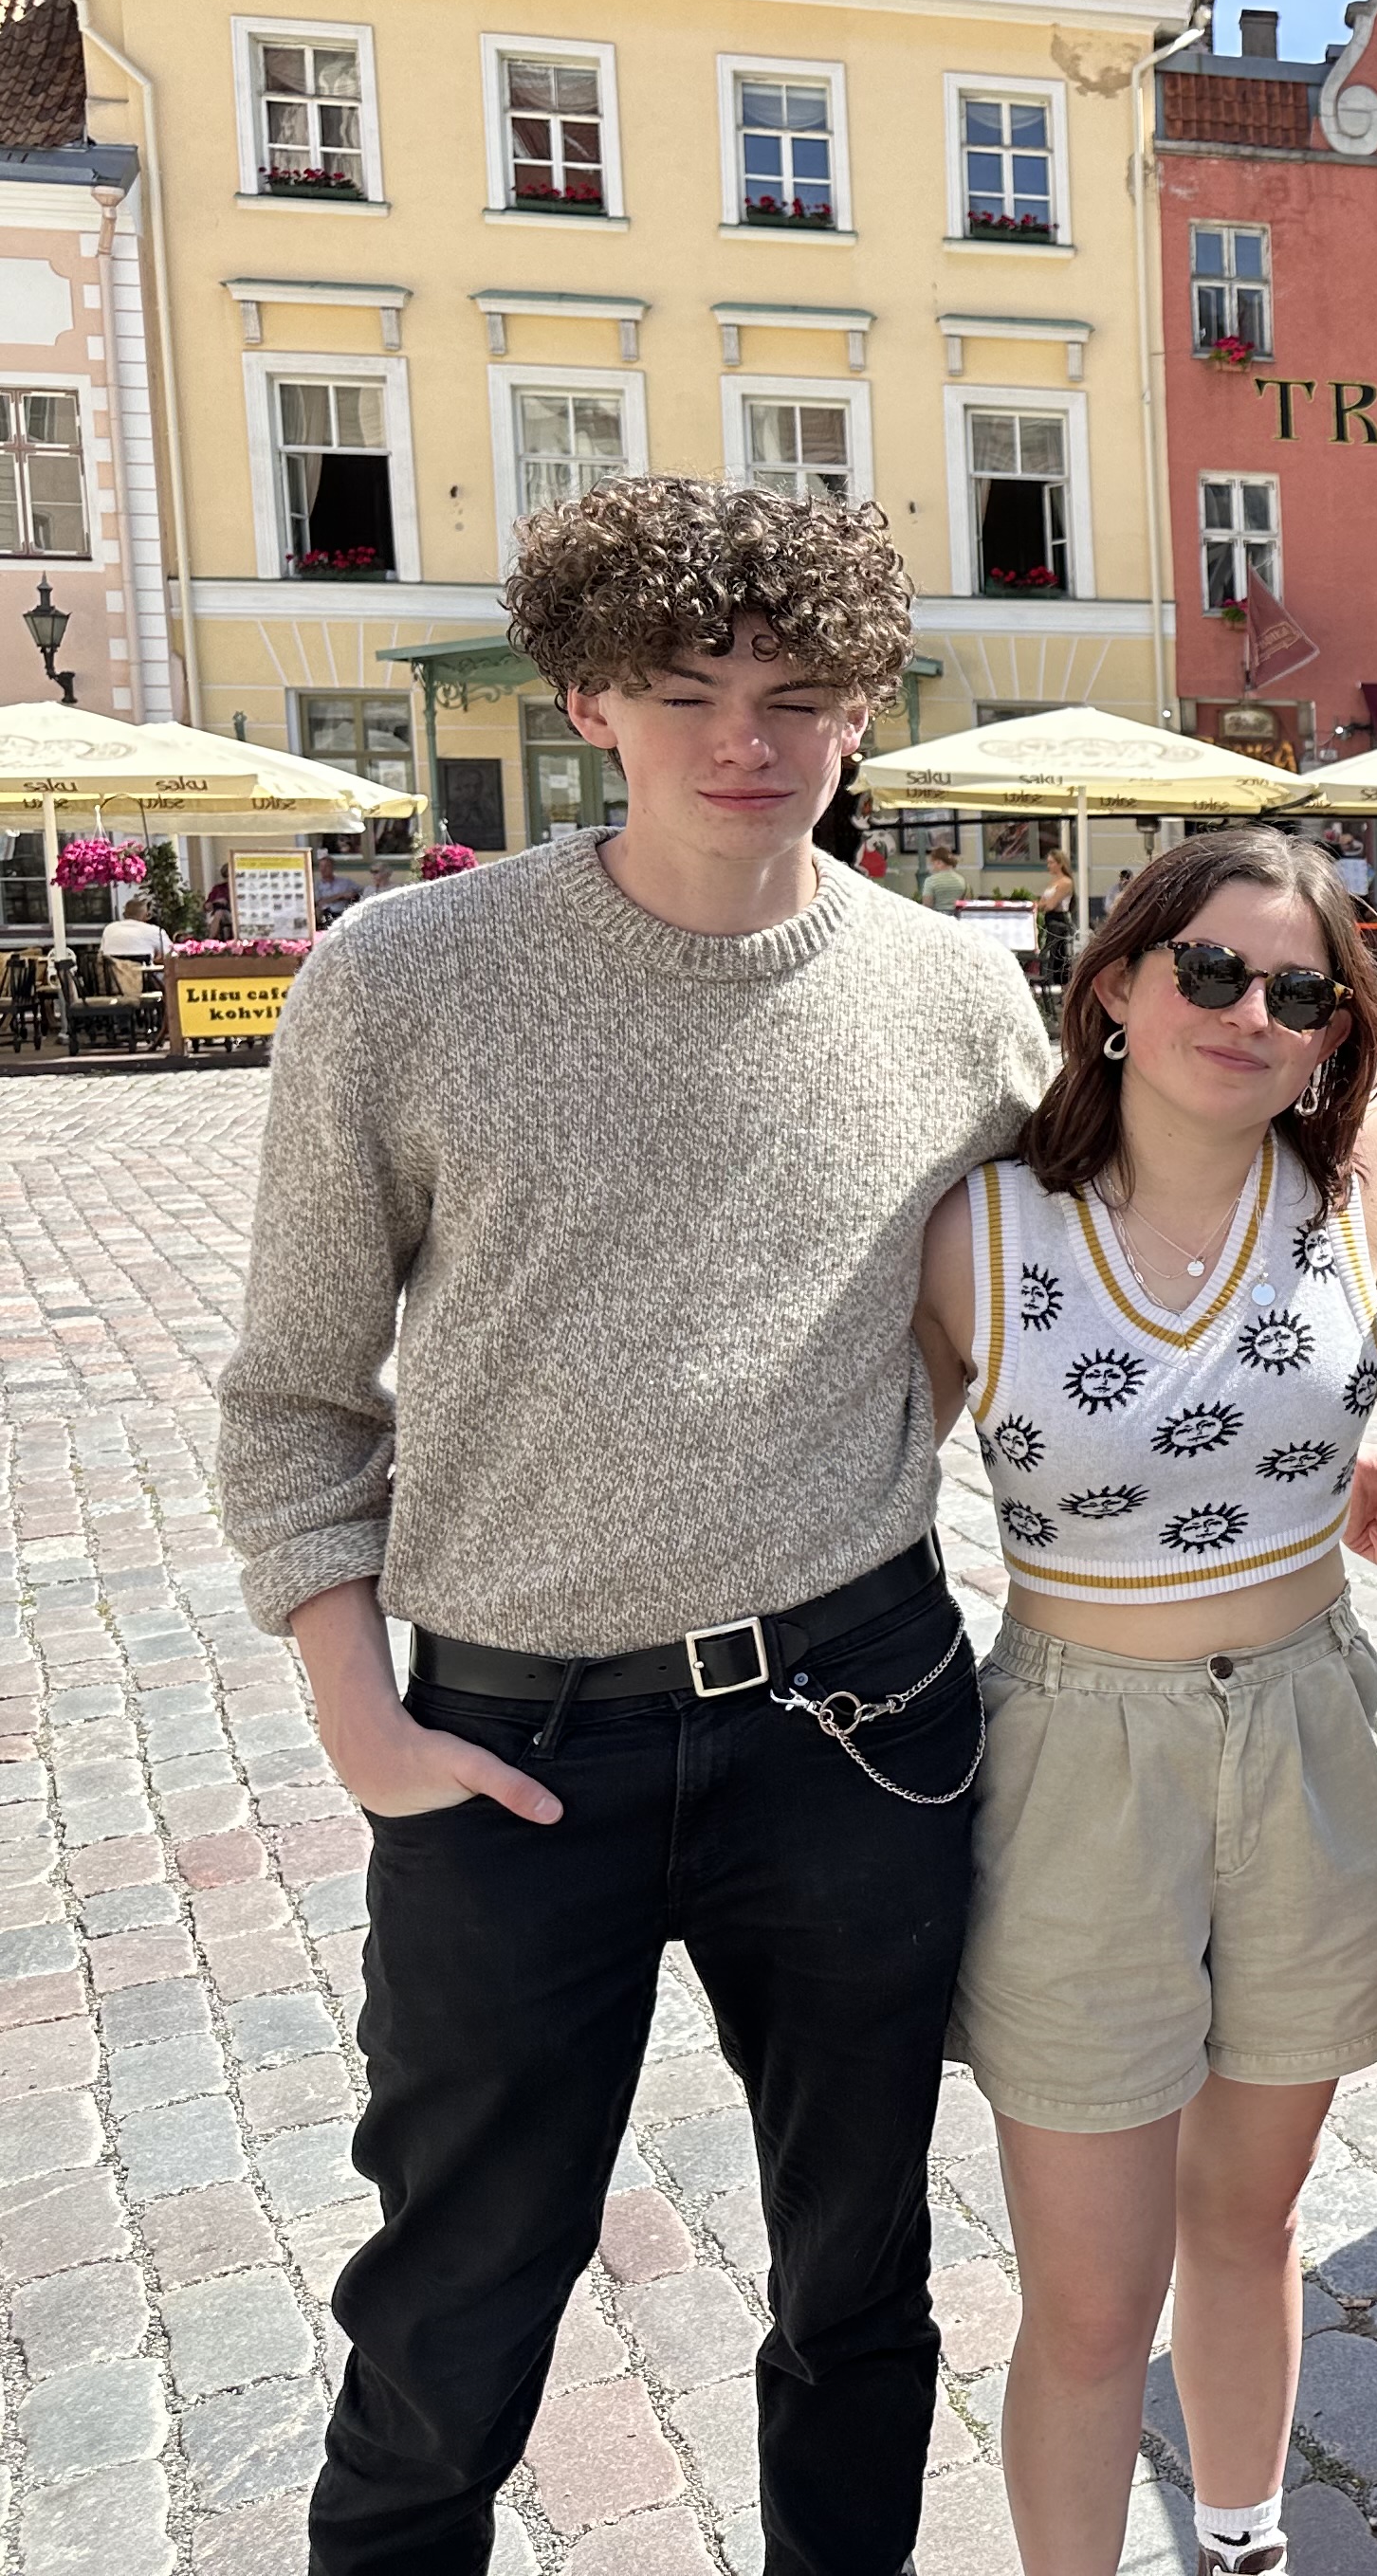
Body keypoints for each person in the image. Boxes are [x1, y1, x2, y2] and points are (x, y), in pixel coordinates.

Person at [215, 478, 1050, 2576]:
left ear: (867, 710)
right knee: (453, 2307)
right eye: (688, 692)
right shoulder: (402, 976)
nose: (743, 740)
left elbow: (1154, 1206)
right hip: (512, 1749)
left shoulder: (953, 994)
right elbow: (296, 1396)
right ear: (589, 697)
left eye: (797, 694)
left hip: (856, 1722)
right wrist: (360, 1723)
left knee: (858, 2284)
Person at [914, 829, 1377, 2576]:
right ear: (1112, 991)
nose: (1248, 1012)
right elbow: (828, 1493)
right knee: (1088, 2300)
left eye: (1298, 991)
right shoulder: (980, 1228)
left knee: (1253, 2222)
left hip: (1309, 1738)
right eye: (1209, 972)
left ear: (1335, 1033)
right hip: (1082, 1759)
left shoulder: (1357, 1191)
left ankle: (1244, 2547)